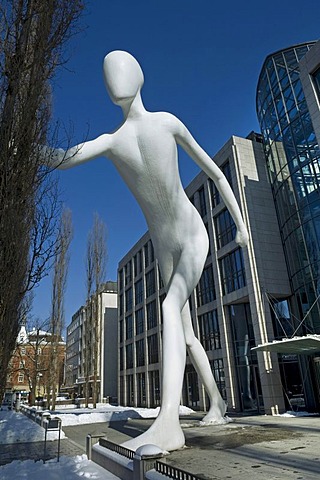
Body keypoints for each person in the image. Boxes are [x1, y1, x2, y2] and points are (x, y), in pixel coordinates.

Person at [47, 50, 249, 451]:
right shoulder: (112, 141)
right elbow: (65, 157)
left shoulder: (166, 122)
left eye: (121, 70)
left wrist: (241, 225)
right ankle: (218, 401)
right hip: (164, 249)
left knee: (170, 308)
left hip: (191, 236)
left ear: (139, 76)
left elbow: (212, 171)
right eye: (109, 75)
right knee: (187, 334)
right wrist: (25, 151)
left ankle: (168, 421)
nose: (115, 79)